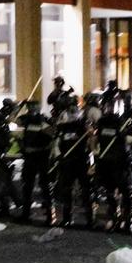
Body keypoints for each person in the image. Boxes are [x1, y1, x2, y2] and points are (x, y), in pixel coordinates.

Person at [93, 97, 132, 232]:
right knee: (110, 192)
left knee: (126, 192)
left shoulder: (122, 122)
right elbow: (96, 139)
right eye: (107, 106)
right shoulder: (102, 122)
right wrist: (96, 152)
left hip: (120, 162)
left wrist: (126, 134)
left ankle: (128, 220)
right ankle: (114, 218)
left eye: (111, 106)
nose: (109, 109)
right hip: (106, 162)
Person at [52, 93, 93, 228]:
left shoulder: (83, 125)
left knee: (86, 190)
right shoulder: (62, 128)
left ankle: (90, 219)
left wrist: (89, 132)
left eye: (73, 107)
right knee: (66, 190)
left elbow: (91, 140)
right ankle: (67, 218)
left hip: (81, 161)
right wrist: (58, 155)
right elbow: (56, 143)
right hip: (67, 161)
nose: (72, 110)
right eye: (69, 107)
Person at [15, 98, 55, 225]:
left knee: (44, 187)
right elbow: (12, 119)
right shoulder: (26, 119)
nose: (31, 108)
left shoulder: (43, 120)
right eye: (30, 106)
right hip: (29, 158)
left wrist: (40, 148)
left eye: (34, 106)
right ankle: (26, 215)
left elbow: (52, 136)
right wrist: (18, 107)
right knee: (27, 187)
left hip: (41, 157)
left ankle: (50, 217)